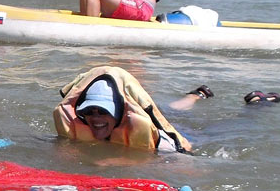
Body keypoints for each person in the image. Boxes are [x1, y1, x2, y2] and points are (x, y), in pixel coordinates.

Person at [53, 65, 195, 153]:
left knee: (176, 110)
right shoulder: (76, 127)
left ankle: (195, 96)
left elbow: (188, 163)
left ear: (118, 112)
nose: (95, 118)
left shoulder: (162, 145)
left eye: (103, 111)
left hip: (189, 134)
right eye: (89, 111)